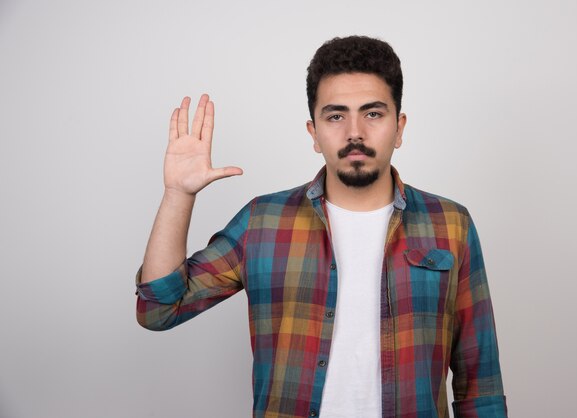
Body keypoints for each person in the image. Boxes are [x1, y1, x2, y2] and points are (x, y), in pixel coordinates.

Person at [136, 35, 507, 418]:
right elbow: (159, 309)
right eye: (336, 116)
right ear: (314, 133)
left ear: (399, 127)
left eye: (374, 114)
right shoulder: (263, 222)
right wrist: (178, 194)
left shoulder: (450, 224)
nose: (355, 132)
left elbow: (480, 386)